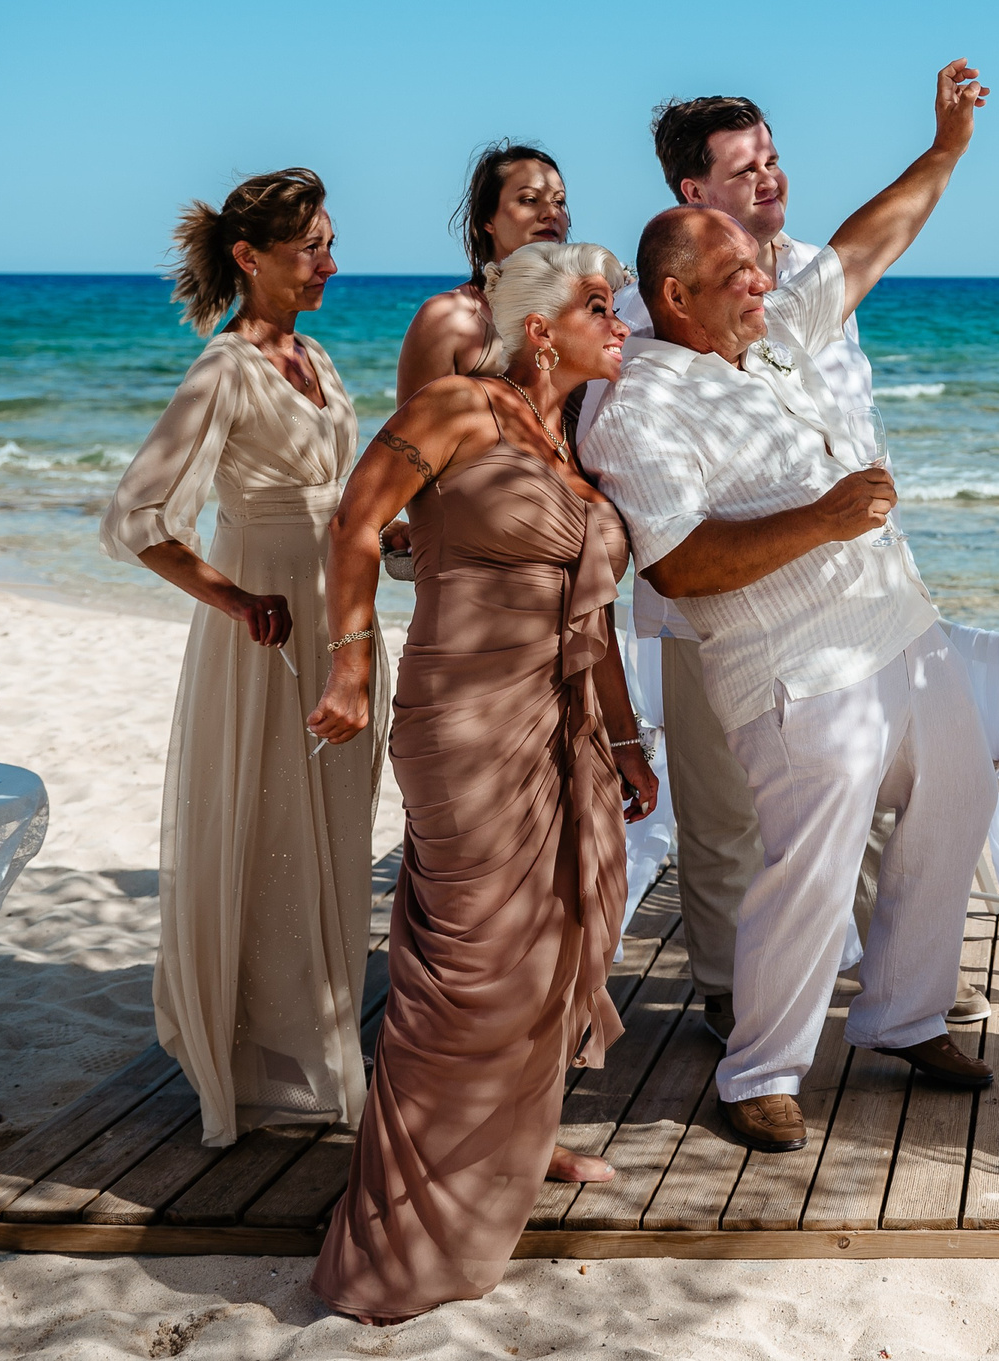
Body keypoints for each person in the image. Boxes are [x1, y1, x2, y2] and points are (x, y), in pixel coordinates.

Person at [583, 59, 997, 1154]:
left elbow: (867, 244)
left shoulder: (769, 319)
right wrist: (821, 517)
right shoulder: (633, 393)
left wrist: (947, 147)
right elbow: (673, 565)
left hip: (897, 624)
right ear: (677, 282)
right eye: (741, 273)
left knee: (958, 800)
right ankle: (759, 1067)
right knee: (804, 863)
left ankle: (904, 1014)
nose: (767, 280)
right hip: (792, 662)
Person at [303, 240, 658, 1323]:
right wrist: (353, 660)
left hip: (565, 729)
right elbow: (357, 522)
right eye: (602, 306)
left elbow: (589, 624)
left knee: (552, 952)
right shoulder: (460, 406)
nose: (623, 323)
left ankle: (510, 1153)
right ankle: (406, 1235)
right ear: (541, 328)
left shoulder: (568, 441)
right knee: (468, 972)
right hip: (463, 723)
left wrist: (629, 741)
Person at [99, 167, 386, 1147]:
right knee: (268, 826)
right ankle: (267, 1066)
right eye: (311, 249)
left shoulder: (317, 356)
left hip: (341, 616)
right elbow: (134, 514)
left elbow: (340, 494)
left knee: (336, 833)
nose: (330, 265)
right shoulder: (223, 370)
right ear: (248, 256)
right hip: (266, 628)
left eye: (331, 244)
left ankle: (324, 1042)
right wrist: (230, 596)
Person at [394, 142, 570, 400]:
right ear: (488, 219)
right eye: (529, 200)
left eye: (559, 202)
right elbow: (409, 435)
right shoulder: (448, 319)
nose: (551, 213)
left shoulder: (584, 313)